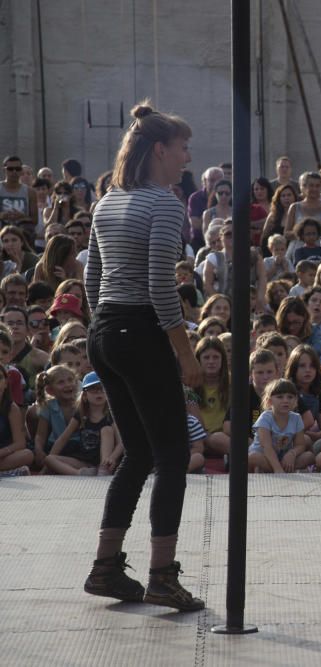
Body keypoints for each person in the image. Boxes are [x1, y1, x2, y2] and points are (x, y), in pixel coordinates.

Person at [82, 102, 204, 611]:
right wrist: (187, 354)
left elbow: (91, 277)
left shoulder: (108, 201)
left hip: (105, 332)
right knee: (172, 454)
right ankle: (162, 575)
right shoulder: (165, 203)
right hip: (139, 331)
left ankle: (106, 566)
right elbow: (159, 286)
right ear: (160, 149)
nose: (186, 156)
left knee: (138, 452)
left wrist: (105, 328)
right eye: (181, 148)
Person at [43, 371, 118, 476]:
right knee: (49, 459)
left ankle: (103, 469)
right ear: (85, 395)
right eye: (93, 389)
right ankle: (79, 473)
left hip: (106, 461)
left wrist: (112, 458)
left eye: (102, 388)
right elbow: (63, 439)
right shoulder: (81, 414)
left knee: (107, 430)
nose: (99, 392)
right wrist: (47, 466)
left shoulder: (112, 415)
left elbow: (122, 442)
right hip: (84, 461)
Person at [248, 378, 313, 473]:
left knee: (309, 456)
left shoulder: (296, 418)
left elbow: (300, 445)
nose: (285, 400)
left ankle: (276, 469)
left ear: (295, 401)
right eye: (280, 397)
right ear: (269, 401)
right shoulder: (265, 418)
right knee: (253, 457)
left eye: (290, 397)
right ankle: (280, 470)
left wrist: (292, 454)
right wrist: (277, 468)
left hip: (283, 457)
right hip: (265, 455)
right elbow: (267, 447)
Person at [1, 156, 38, 225]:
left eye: (17, 169)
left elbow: (35, 221)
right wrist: (2, 216)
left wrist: (23, 217)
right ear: (4, 170)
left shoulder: (30, 192)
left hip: (23, 233)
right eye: (10, 169)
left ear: (21, 170)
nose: (14, 171)